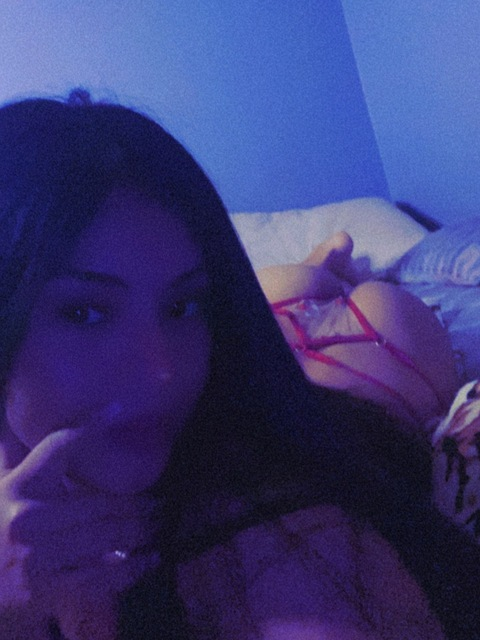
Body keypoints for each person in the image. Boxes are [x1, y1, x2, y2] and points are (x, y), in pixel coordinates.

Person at [0, 91, 478, 640]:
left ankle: (328, 264)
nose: (162, 371)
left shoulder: (284, 548)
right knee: (286, 290)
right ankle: (313, 268)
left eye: (185, 305)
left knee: (360, 300)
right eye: (85, 313)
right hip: (282, 349)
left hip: (374, 347)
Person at [256, 230, 459, 427]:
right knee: (334, 250)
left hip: (295, 310)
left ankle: (331, 265)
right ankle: (335, 268)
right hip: (385, 342)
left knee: (332, 251)